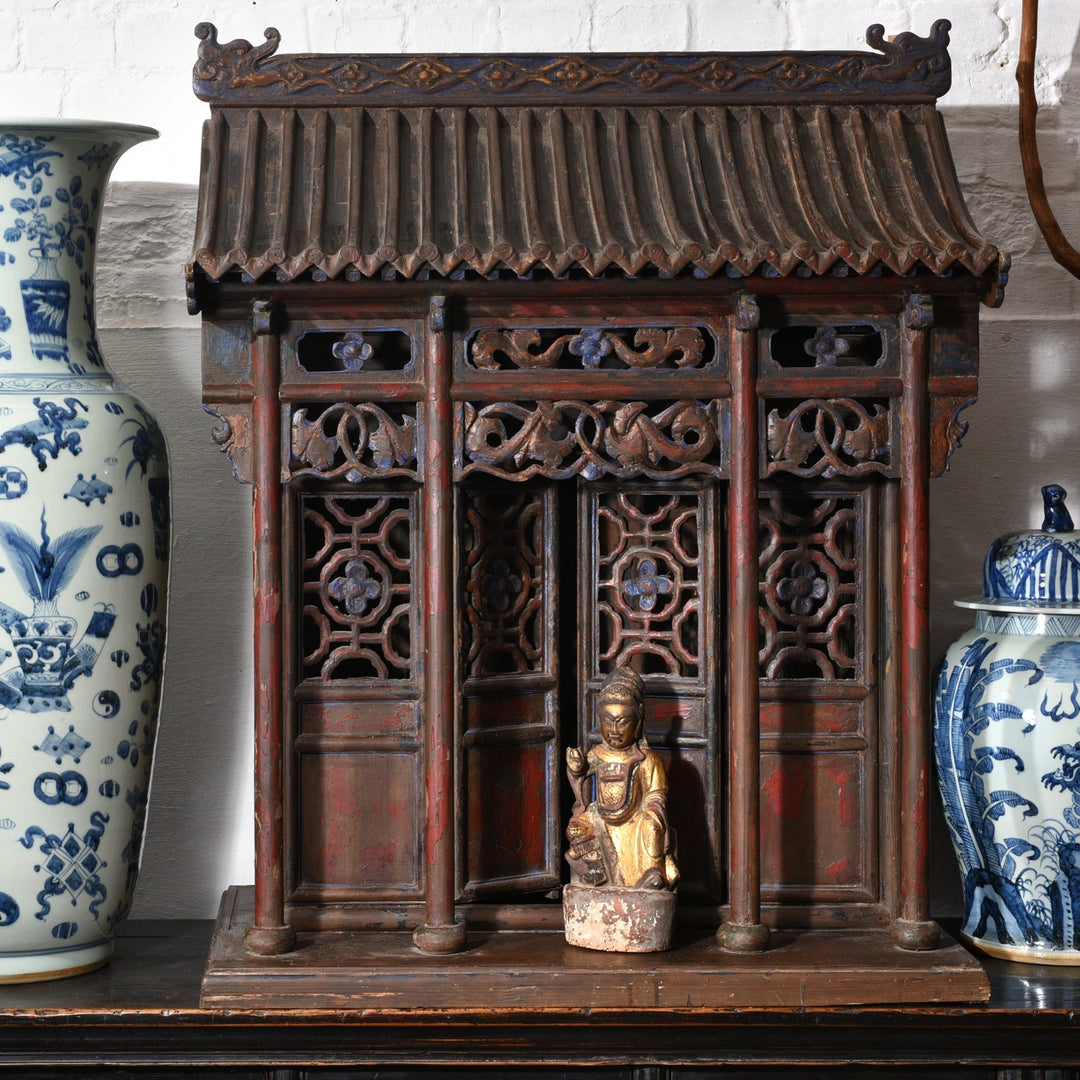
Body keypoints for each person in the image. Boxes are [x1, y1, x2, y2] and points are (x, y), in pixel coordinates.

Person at [565, 667, 678, 890]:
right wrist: (576, 767)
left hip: (635, 820)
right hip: (602, 816)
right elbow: (579, 772)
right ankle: (596, 875)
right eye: (609, 721)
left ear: (637, 723)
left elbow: (657, 793)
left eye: (623, 722)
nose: (614, 730)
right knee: (576, 829)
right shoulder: (598, 754)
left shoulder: (647, 759)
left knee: (652, 827)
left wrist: (653, 810)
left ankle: (652, 875)